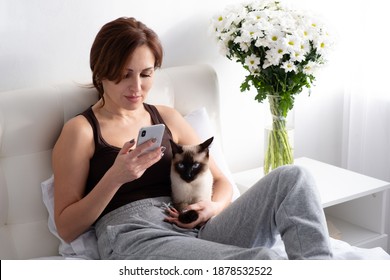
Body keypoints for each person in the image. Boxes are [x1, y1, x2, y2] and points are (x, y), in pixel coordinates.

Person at [52, 17, 333, 260]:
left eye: (146, 74)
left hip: (196, 227)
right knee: (262, 261)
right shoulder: (82, 131)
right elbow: (66, 226)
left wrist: (211, 207)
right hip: (135, 235)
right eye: (124, 76)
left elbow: (221, 181)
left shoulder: (167, 117)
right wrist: (116, 177)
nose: (137, 87)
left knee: (295, 177)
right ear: (101, 73)